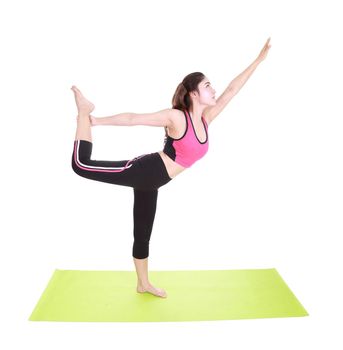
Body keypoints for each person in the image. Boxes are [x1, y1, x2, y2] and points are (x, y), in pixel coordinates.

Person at [70, 38, 272, 298]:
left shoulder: (205, 120)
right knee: (80, 165)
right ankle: (83, 114)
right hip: (144, 170)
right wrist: (94, 120)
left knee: (142, 234)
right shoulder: (177, 117)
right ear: (194, 93)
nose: (214, 89)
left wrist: (258, 60)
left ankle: (143, 283)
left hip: (153, 182)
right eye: (207, 85)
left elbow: (232, 90)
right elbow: (134, 119)